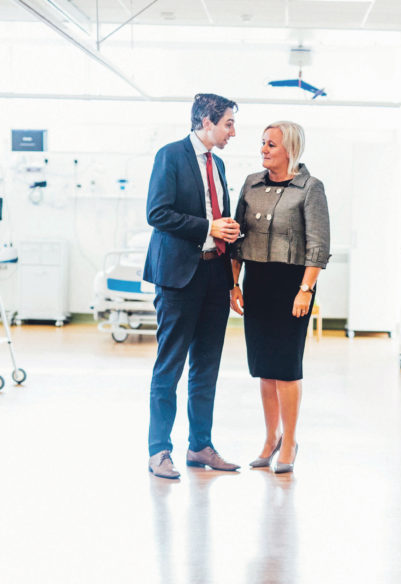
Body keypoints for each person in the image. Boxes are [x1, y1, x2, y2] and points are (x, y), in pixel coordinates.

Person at [144, 93, 242, 479]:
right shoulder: (170, 156)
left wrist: (228, 231)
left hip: (214, 274)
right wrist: (208, 227)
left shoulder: (218, 164)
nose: (233, 131)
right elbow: (157, 212)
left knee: (207, 366)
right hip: (178, 278)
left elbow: (221, 214)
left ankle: (200, 445)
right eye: (228, 123)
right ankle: (159, 450)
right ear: (206, 121)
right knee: (170, 367)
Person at [229, 121, 330, 474]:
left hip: (292, 285)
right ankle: (270, 438)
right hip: (257, 280)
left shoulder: (310, 188)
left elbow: (318, 245)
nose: (264, 149)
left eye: (271, 144)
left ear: (290, 149)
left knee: (286, 368)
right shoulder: (251, 184)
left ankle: (290, 441)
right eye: (263, 143)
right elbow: (237, 238)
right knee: (264, 369)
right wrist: (234, 284)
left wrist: (305, 290)